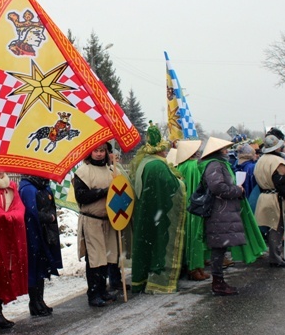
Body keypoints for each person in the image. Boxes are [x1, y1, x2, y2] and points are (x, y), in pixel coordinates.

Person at [129, 122, 186, 294]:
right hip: (158, 213)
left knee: (145, 245)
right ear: (160, 149)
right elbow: (172, 187)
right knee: (159, 246)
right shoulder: (157, 166)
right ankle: (159, 280)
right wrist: (182, 184)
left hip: (146, 211)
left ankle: (142, 279)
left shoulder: (144, 162)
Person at [72, 142, 119, 307]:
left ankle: (103, 290)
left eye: (102, 151)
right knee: (94, 260)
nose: (99, 154)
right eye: (96, 151)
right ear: (89, 153)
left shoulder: (111, 171)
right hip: (92, 220)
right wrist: (103, 191)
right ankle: (93, 293)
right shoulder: (83, 172)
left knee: (106, 258)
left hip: (108, 220)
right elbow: (82, 196)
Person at [198, 137, 246, 296]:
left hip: (221, 211)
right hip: (220, 211)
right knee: (218, 248)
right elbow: (217, 186)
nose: (227, 151)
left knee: (220, 247)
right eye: (224, 149)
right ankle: (218, 283)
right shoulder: (214, 165)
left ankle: (219, 282)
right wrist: (237, 190)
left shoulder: (216, 164)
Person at [0, 170, 28, 330]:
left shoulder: (12, 187)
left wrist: (9, 217)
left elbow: (19, 209)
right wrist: (8, 217)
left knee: (6, 272)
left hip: (9, 237)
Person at [18, 175, 62, 316]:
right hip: (33, 232)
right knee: (35, 265)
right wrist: (48, 217)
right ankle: (34, 302)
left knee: (42, 265)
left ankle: (40, 300)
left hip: (44, 232)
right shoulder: (27, 188)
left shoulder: (43, 185)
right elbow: (30, 212)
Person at [254, 135, 285, 268]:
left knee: (271, 227)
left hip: (264, 196)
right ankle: (275, 257)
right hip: (275, 198)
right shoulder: (277, 162)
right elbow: (282, 184)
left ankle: (274, 255)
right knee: (276, 228)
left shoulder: (261, 160)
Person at [175, 140, 209, 282]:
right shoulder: (193, 166)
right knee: (195, 237)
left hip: (183, 206)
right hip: (194, 206)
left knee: (186, 237)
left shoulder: (180, 166)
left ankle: (191, 266)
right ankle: (195, 267)